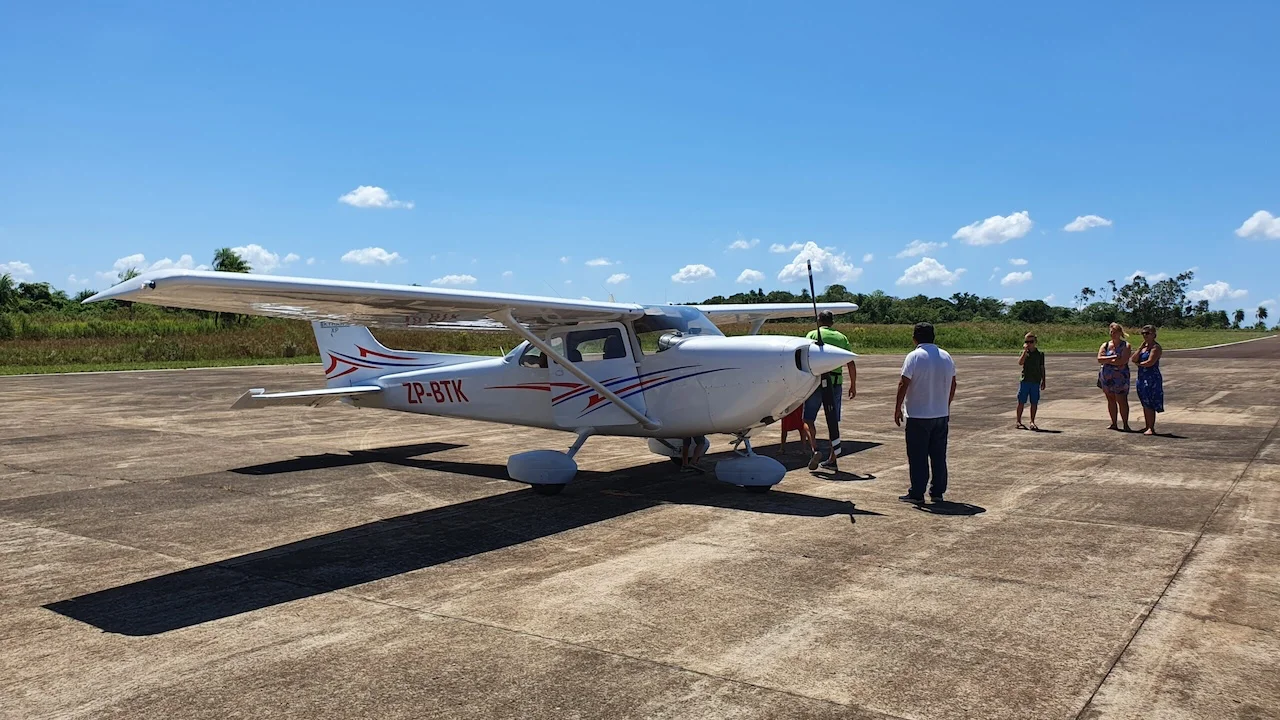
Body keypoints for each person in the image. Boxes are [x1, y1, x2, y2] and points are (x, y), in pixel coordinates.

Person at [893, 322, 956, 504]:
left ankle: (917, 492)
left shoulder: (914, 357)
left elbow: (903, 383)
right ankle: (937, 492)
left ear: (915, 338)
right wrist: (946, 404)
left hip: (918, 415)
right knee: (938, 456)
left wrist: (897, 408)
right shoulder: (946, 356)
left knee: (918, 456)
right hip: (941, 414)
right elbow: (953, 384)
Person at [803, 311, 858, 471]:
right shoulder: (841, 338)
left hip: (816, 382)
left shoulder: (812, 334)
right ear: (832, 322)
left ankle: (815, 449)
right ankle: (832, 459)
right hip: (835, 383)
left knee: (808, 419)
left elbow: (805, 356)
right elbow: (850, 362)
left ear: (818, 321)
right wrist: (853, 384)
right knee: (833, 422)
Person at [1097, 322, 1132, 431]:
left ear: (1120, 333)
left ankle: (1125, 424)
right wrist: (1113, 357)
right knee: (1110, 399)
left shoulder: (1126, 345)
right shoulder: (1106, 345)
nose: (1113, 334)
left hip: (1120, 376)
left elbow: (1122, 361)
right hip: (1107, 376)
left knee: (1121, 400)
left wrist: (1107, 360)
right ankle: (1114, 423)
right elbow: (1099, 359)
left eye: (1115, 332)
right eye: (1111, 332)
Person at [1132, 325, 1164, 435]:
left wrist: (1139, 364)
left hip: (1152, 377)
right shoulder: (1144, 348)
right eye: (1143, 333)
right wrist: (1140, 348)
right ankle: (1147, 425)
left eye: (1147, 333)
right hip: (1142, 377)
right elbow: (1133, 358)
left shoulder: (1156, 347)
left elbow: (1150, 362)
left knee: (1150, 402)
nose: (1145, 335)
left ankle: (1151, 427)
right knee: (1144, 402)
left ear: (1154, 335)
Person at [1016, 332, 1047, 430]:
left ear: (1035, 342)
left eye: (1031, 341)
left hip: (1035, 380)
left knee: (1034, 402)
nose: (1029, 343)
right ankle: (1018, 421)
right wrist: (1025, 352)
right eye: (1027, 342)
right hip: (1025, 380)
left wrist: (1044, 380)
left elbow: (1042, 367)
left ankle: (1032, 421)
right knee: (1021, 401)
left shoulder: (1040, 354)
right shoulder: (1024, 353)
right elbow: (1020, 363)